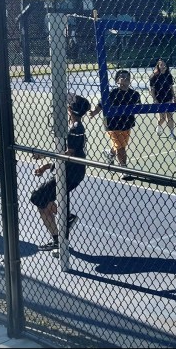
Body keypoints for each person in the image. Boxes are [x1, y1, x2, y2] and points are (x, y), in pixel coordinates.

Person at [30, 93, 89, 252]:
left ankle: (63, 226)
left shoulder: (76, 128)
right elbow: (65, 156)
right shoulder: (71, 127)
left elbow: (68, 154)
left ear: (70, 110)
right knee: (43, 201)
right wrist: (47, 166)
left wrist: (43, 155)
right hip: (69, 172)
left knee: (37, 198)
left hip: (70, 174)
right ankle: (63, 223)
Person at [89, 69, 141, 179]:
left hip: (127, 124)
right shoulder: (111, 93)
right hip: (112, 125)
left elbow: (139, 107)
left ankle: (110, 153)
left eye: (127, 78)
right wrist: (94, 112)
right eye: (122, 77)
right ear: (117, 80)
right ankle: (123, 169)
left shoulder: (134, 94)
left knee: (120, 146)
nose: (125, 79)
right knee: (121, 148)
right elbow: (101, 104)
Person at [149, 58, 176, 138]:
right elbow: (152, 90)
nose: (163, 66)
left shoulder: (169, 76)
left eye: (164, 65)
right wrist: (155, 99)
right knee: (162, 118)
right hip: (159, 99)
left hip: (168, 98)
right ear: (158, 66)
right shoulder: (154, 76)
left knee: (170, 116)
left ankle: (171, 133)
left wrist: (174, 97)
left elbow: (171, 87)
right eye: (161, 65)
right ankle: (158, 126)